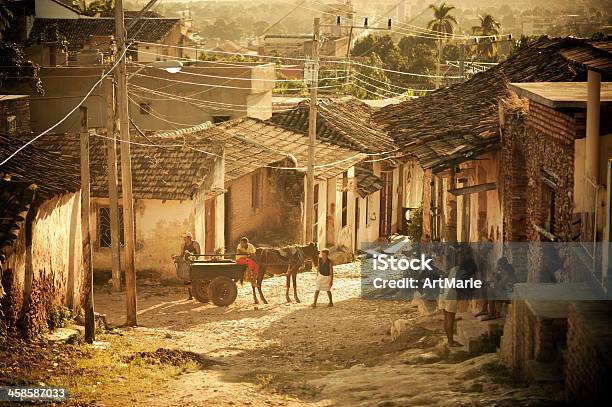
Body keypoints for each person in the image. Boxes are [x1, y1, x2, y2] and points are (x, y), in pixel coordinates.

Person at [181, 232, 201, 300]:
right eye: (184, 237)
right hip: (186, 264)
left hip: (194, 263)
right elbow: (182, 254)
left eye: (185, 237)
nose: (184, 239)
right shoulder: (183, 245)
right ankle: (190, 295)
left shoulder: (195, 244)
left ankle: (197, 294)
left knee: (194, 279)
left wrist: (191, 256)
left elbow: (198, 254)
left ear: (189, 237)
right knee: (187, 279)